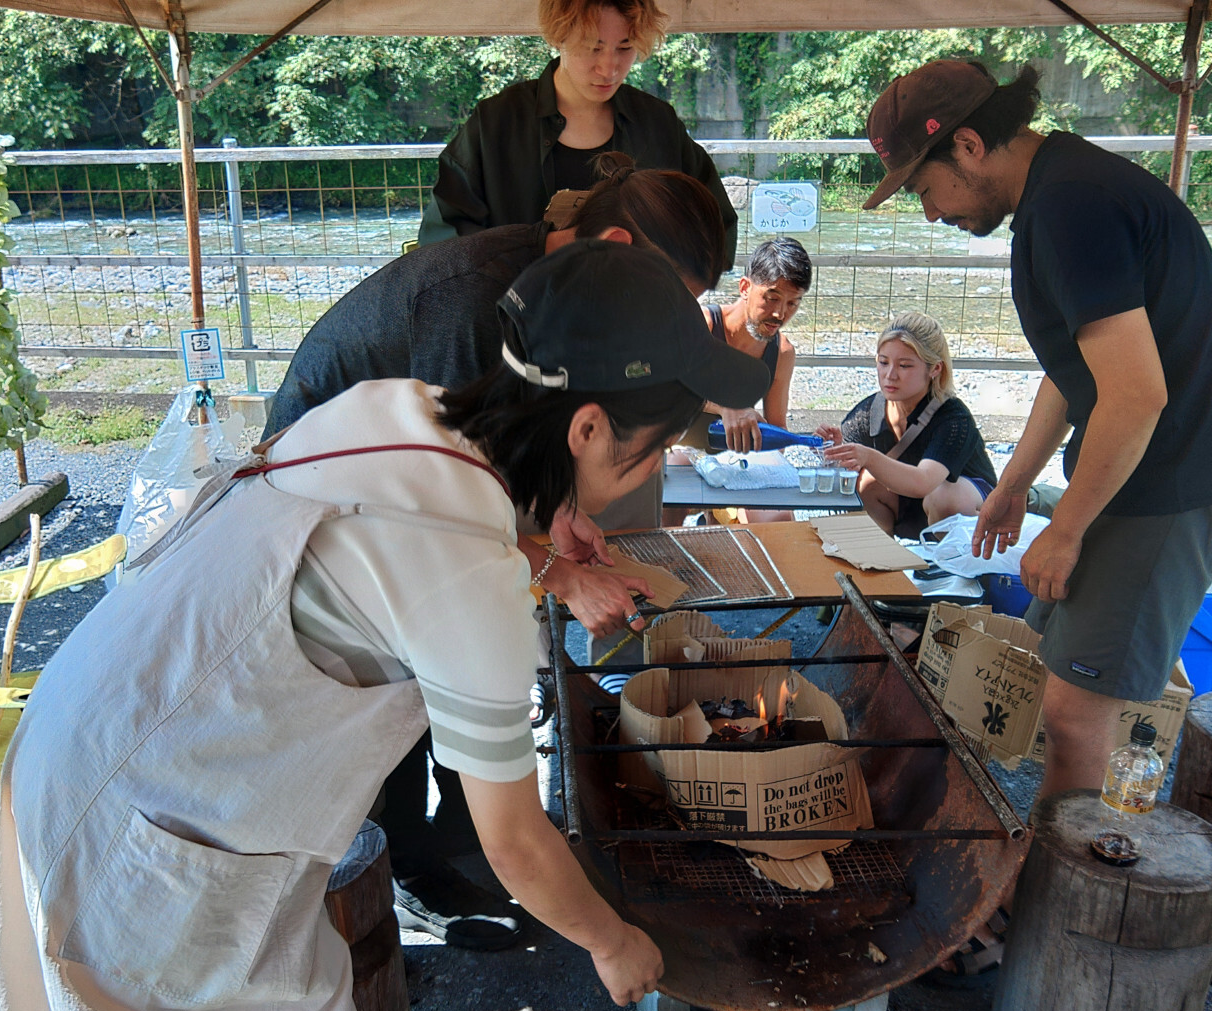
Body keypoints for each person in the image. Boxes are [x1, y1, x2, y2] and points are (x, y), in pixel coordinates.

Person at [0, 240, 771, 1011]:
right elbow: (516, 843)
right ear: (589, 428)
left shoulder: (406, 409)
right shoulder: (465, 579)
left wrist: (544, 546)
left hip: (95, 726)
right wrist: (611, 940)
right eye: (648, 452)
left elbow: (401, 539)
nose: (644, 472)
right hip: (145, 819)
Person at [265, 157, 734, 952]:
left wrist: (553, 518)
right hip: (318, 536)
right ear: (618, 247)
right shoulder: (473, 303)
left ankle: (455, 825)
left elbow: (507, 440)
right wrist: (554, 568)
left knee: (451, 693)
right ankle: (407, 866)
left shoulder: (543, 285)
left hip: (372, 514)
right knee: (409, 700)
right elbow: (442, 510)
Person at [863, 59, 1212, 797]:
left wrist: (1065, 529)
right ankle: (1060, 854)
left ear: (970, 145)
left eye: (924, 187)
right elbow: (1073, 373)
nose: (931, 213)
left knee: (1076, 710)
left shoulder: (1072, 207)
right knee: (1048, 664)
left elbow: (1135, 398)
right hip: (1133, 473)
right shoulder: (1061, 189)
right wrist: (1014, 484)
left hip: (1167, 485)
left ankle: (1066, 897)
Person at [416, 0, 738, 270]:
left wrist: (669, 271)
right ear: (559, 37)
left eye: (624, 48)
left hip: (631, 327)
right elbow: (442, 241)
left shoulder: (658, 123)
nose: (609, 68)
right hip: (519, 328)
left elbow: (715, 225)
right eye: (592, 47)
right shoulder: (496, 123)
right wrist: (537, 247)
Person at [815, 312, 996, 539]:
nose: (890, 375)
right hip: (911, 507)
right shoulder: (868, 412)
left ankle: (952, 567)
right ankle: (879, 558)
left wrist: (868, 457)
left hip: (971, 510)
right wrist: (834, 451)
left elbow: (924, 482)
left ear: (935, 369)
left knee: (944, 497)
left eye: (905, 365)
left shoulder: (953, 418)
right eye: (883, 362)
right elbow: (841, 477)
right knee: (864, 483)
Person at [696, 236, 811, 453]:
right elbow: (664, 386)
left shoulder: (781, 353)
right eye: (771, 298)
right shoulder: (703, 326)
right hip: (673, 454)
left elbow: (776, 429)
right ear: (745, 288)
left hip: (731, 463)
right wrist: (726, 407)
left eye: (792, 303)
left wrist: (811, 443)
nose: (780, 314)